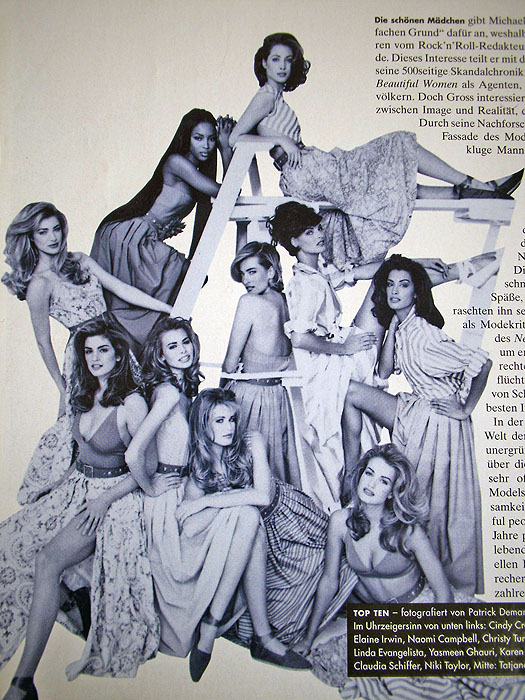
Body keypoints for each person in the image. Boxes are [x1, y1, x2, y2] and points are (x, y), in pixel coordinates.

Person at [268, 202, 499, 512]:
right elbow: (299, 338)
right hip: (332, 362)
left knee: (390, 277)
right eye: (309, 233)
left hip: (339, 354)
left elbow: (373, 271)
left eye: (319, 228)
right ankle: (463, 271)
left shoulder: (315, 271)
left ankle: (460, 271)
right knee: (388, 283)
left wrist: (417, 263)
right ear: (294, 241)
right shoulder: (305, 283)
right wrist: (345, 349)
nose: (320, 235)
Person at [230, 33, 522, 273]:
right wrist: (282, 140)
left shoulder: (275, 97)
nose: (282, 66)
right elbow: (235, 138)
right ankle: (476, 185)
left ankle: (473, 190)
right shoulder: (265, 97)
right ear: (264, 62)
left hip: (312, 168)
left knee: (394, 181)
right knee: (399, 145)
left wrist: (282, 140)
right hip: (305, 172)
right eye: (275, 59)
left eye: (288, 60)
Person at [0, 317, 171, 700]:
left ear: (119, 355)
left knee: (47, 561)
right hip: (76, 488)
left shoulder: (132, 403)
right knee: (9, 542)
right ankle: (70, 600)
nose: (95, 358)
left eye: (103, 350)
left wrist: (104, 499)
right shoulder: (83, 392)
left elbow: (147, 466)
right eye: (88, 351)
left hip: (110, 498)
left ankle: (23, 684)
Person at [124, 322, 276, 682]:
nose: (183, 351)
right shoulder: (167, 393)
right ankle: (221, 628)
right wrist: (150, 487)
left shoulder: (184, 390)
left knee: (251, 522)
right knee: (248, 518)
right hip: (168, 501)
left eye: (186, 343)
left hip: (189, 489)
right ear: (161, 355)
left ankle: (238, 629)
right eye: (172, 347)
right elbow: (134, 453)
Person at [2, 202, 173, 505]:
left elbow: (120, 288)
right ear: (31, 237)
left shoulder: (79, 261)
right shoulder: (38, 285)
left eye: (56, 229)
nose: (52, 237)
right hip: (83, 355)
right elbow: (43, 342)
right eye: (43, 232)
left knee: (134, 405)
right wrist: (61, 386)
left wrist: (167, 309)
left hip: (115, 341)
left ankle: (140, 475)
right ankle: (67, 489)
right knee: (81, 419)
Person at [340, 255, 492, 594]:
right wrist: (393, 328)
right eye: (390, 284)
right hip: (418, 410)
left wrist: (465, 408)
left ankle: (435, 580)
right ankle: (351, 474)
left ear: (416, 292)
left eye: (404, 285)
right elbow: (383, 372)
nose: (395, 291)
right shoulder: (404, 327)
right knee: (350, 393)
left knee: (429, 500)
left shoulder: (423, 334)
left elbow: (482, 363)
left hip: (439, 422)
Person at [177, 388, 357, 659]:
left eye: (232, 419)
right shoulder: (199, 473)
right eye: (219, 421)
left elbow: (262, 496)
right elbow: (190, 526)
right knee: (282, 620)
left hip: (290, 520)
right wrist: (210, 505)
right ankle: (262, 638)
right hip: (259, 539)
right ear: (203, 425)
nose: (229, 427)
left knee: (341, 567)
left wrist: (208, 502)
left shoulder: (251, 441)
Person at [292, 444, 454, 687]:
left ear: (391, 492)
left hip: (422, 611)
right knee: (325, 660)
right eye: (369, 473)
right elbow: (329, 581)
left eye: (383, 481)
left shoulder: (409, 531)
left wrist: (432, 640)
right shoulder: (340, 522)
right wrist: (308, 636)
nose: (371, 484)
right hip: (380, 620)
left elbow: (444, 594)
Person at [91, 109, 234, 345]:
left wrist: (224, 149)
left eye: (211, 139)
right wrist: (225, 148)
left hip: (141, 237)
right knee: (140, 298)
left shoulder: (195, 171)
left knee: (176, 281)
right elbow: (226, 191)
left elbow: (227, 195)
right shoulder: (177, 162)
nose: (206, 146)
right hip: (128, 236)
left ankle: (140, 352)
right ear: (186, 137)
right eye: (198, 138)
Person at [222, 241, 301, 486]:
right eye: (243, 274)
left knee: (241, 475)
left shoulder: (249, 302)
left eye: (252, 271)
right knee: (274, 474)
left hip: (249, 398)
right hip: (279, 398)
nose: (246, 280)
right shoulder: (288, 302)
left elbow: (229, 365)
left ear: (271, 271)